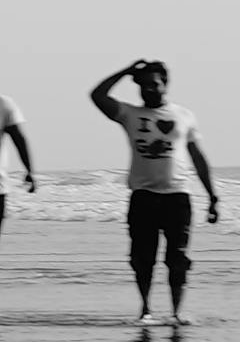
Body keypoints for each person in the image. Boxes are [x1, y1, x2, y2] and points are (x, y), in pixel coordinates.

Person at [88, 58, 217, 324]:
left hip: (178, 196)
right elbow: (97, 95)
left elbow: (198, 158)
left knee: (178, 258)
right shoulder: (129, 114)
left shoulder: (184, 116)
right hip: (144, 197)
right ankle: (145, 309)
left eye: (154, 84)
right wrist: (125, 71)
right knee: (142, 258)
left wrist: (213, 196)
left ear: (165, 85)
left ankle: (176, 312)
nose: (148, 89)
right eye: (144, 85)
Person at [0, 87, 33, 236]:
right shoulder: (4, 103)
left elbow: (19, 139)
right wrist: (29, 171)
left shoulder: (4, 104)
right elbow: (18, 139)